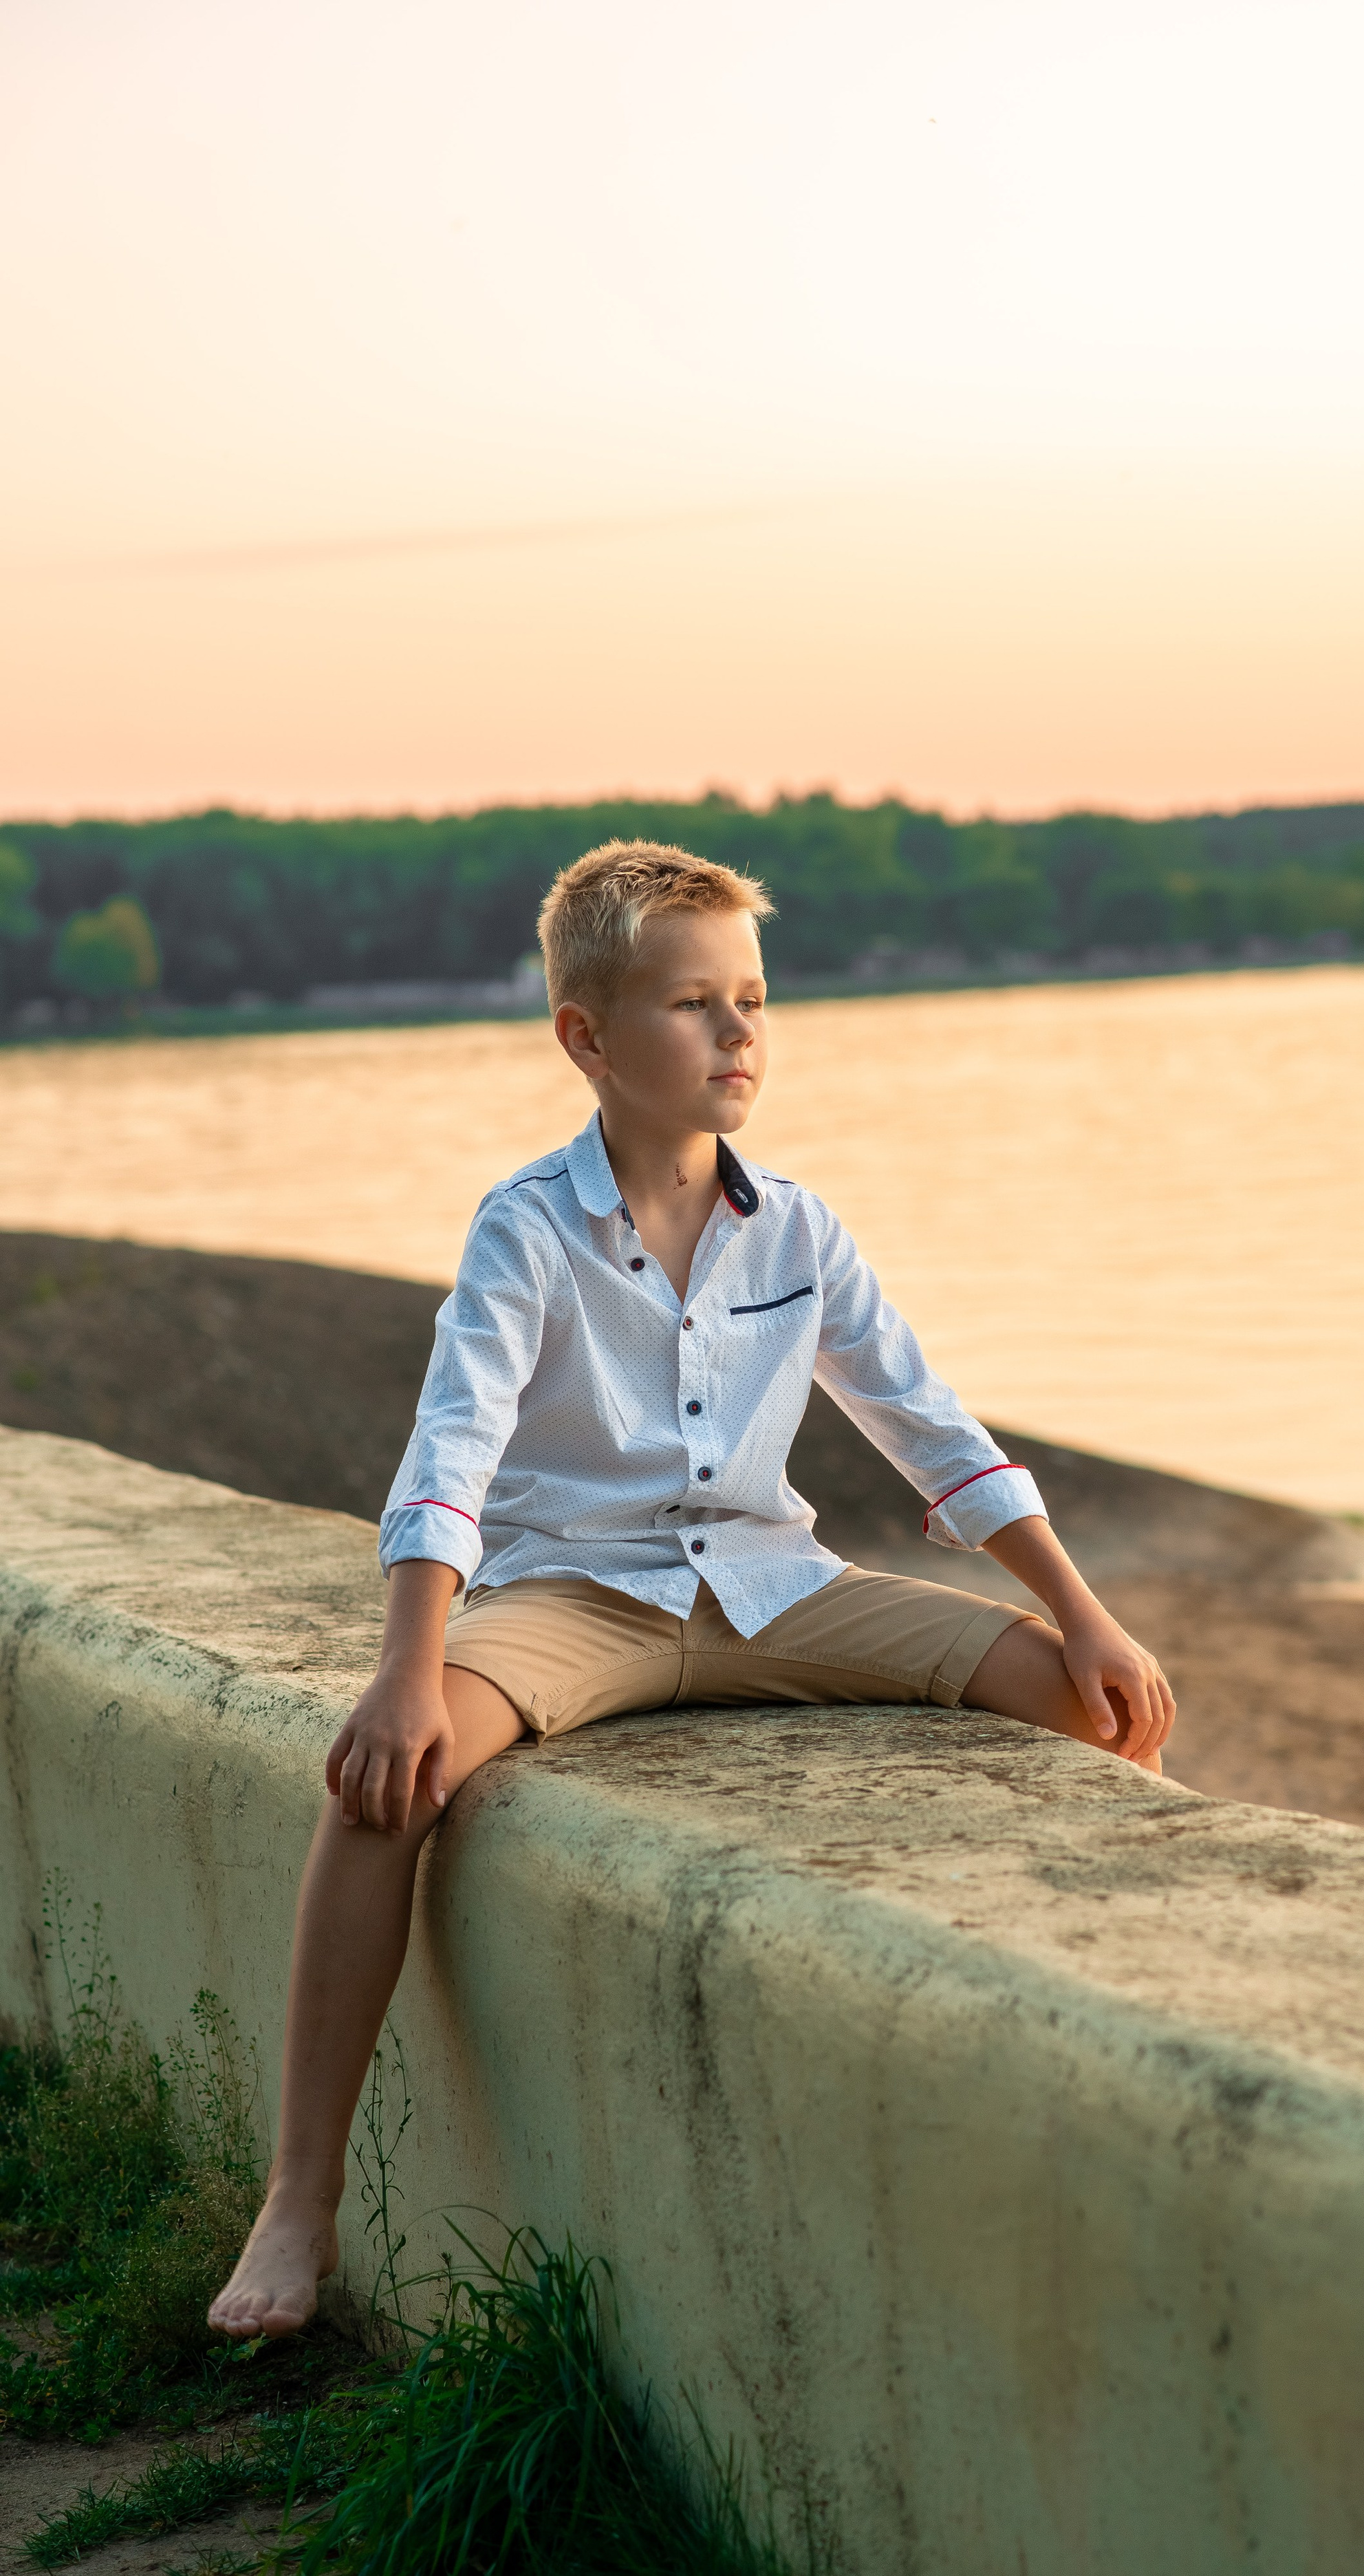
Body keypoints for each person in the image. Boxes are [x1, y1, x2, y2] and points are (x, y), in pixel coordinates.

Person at [208, 841, 1175, 2339]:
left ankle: (1128, 2101)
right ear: (586, 1038)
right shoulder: (526, 1226)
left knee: (1084, 1698)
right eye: (691, 1006)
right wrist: (411, 1665)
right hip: (580, 1602)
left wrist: (1083, 1606)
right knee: (379, 1785)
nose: (737, 1037)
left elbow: (927, 1424)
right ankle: (299, 2197)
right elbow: (450, 1445)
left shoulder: (795, 1228)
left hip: (774, 1589)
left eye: (752, 1001)